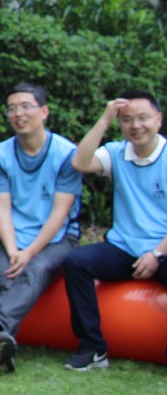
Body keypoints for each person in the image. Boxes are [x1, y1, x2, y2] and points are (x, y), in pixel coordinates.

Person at [0, 83, 81, 372]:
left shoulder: (67, 153)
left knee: (35, 269)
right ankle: (2, 345)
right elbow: (1, 208)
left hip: (57, 239)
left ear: (44, 112)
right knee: (7, 281)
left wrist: (29, 253)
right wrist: (14, 250)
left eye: (26, 107)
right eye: (12, 109)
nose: (18, 114)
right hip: (12, 238)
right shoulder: (1, 153)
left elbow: (60, 213)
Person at [64, 90, 167, 371]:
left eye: (143, 118)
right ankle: (92, 348)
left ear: (158, 119)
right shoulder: (116, 153)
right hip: (123, 247)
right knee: (76, 262)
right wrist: (105, 119)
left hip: (162, 247)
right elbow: (80, 162)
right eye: (127, 120)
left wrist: (157, 254)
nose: (136, 126)